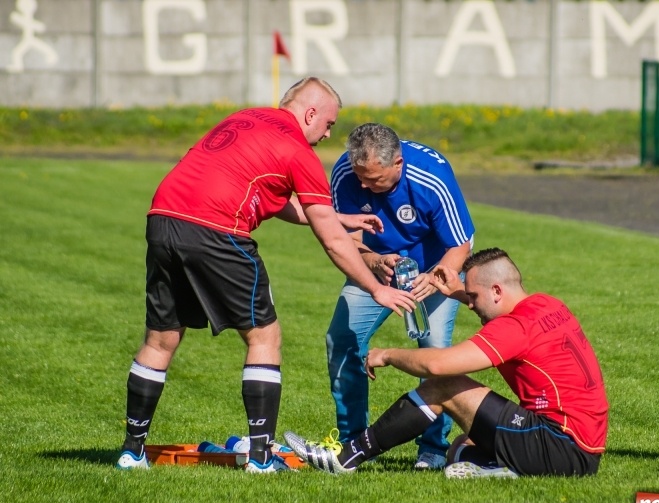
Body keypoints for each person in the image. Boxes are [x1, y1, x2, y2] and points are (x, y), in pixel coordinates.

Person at [116, 77, 416, 474]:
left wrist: (339, 216)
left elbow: (272, 195)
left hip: (163, 220)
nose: (328, 134)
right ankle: (260, 458)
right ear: (310, 113)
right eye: (327, 124)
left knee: (161, 338)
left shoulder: (243, 119)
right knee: (264, 336)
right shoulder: (297, 148)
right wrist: (376, 288)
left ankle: (132, 452)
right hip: (217, 230)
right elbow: (333, 242)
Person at [285, 248, 609, 478]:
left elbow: (439, 366)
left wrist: (387, 354)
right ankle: (502, 469)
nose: (470, 306)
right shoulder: (546, 304)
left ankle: (345, 457)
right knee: (459, 451)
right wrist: (456, 290)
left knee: (444, 386)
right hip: (581, 445)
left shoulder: (514, 329)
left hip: (559, 444)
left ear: (496, 290)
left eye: (474, 297)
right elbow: (497, 312)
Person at [324, 123, 475, 470]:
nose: (363, 184)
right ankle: (352, 445)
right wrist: (374, 261)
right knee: (342, 339)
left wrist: (434, 279)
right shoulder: (346, 172)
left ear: (398, 163)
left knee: (435, 353)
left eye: (373, 179)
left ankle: (433, 448)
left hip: (435, 268)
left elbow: (460, 244)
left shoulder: (432, 177)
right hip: (375, 269)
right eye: (360, 176)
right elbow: (344, 241)